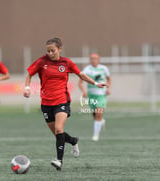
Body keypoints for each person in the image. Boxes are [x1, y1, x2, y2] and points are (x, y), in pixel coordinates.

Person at [23, 38, 107, 171]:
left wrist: (96, 83)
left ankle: (59, 161)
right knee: (57, 134)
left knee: (58, 129)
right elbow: (29, 74)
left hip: (62, 100)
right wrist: (27, 87)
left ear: (60, 49)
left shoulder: (66, 62)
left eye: (53, 50)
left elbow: (81, 75)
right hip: (46, 102)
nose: (50, 53)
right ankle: (73, 141)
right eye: (48, 51)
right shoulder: (41, 61)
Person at [79, 53, 111, 141]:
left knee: (98, 113)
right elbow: (80, 82)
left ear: (99, 60)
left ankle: (95, 136)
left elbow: (109, 79)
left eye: (95, 59)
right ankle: (101, 121)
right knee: (95, 115)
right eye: (92, 59)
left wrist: (108, 88)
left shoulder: (104, 69)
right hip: (91, 95)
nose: (93, 60)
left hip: (101, 95)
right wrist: (84, 92)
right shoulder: (87, 69)